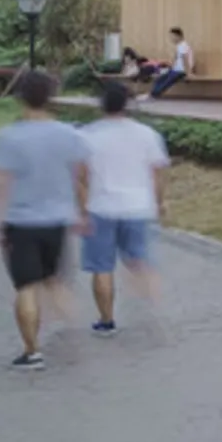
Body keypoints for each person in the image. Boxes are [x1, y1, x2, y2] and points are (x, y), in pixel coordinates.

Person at [0, 70, 90, 370]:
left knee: (26, 286)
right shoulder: (70, 135)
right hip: (57, 222)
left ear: (20, 98)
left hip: (22, 222)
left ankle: (32, 351)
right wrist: (82, 211)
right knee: (53, 279)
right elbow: (81, 176)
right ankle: (76, 327)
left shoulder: (7, 137)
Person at [80, 81, 170, 337]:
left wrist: (81, 208)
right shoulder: (147, 134)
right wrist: (160, 202)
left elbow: (81, 176)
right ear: (128, 105)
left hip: (101, 206)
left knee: (102, 267)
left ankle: (106, 320)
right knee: (139, 258)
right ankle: (154, 303)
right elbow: (157, 173)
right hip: (137, 206)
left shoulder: (88, 135)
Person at [147, 28, 193, 99]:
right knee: (160, 79)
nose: (171, 39)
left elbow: (185, 60)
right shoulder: (179, 46)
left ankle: (154, 95)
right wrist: (170, 67)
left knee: (167, 81)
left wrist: (188, 74)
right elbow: (176, 60)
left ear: (178, 36)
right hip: (176, 69)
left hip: (181, 71)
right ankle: (152, 93)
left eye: (172, 36)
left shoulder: (183, 46)